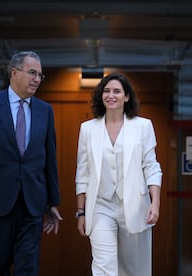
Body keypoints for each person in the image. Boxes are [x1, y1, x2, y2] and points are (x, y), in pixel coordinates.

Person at [0, 51, 62, 276]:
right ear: (14, 73)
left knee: (28, 267)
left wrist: (53, 202)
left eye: (40, 76)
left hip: (32, 203)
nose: (37, 79)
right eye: (32, 73)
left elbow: (49, 158)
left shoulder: (45, 110)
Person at [75, 72, 162, 276]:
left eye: (116, 91)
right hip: (100, 207)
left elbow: (151, 166)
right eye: (106, 91)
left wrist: (155, 202)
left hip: (135, 206)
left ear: (127, 97)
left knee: (133, 270)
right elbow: (83, 172)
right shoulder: (87, 129)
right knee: (103, 267)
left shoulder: (143, 126)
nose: (111, 95)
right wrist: (81, 212)